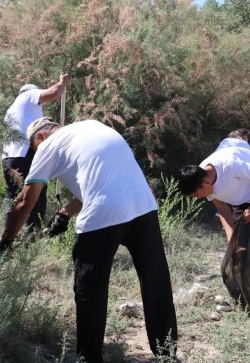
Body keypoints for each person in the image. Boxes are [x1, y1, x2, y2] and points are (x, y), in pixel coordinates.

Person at [0, 118, 177, 362]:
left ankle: (89, 359)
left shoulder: (48, 147)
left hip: (103, 217)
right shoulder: (93, 126)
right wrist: (64, 214)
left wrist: (7, 242)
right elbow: (103, 182)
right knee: (155, 281)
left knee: (89, 290)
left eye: (33, 150)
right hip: (143, 206)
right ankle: (166, 353)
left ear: (38, 138)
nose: (35, 155)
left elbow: (23, 203)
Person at [178, 146, 250, 283]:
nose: (198, 198)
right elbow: (224, 210)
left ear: (206, 182)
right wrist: (232, 240)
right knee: (241, 245)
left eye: (197, 195)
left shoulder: (231, 166)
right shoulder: (202, 177)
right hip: (241, 199)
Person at [2, 74, 70, 231]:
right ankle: (31, 238)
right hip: (26, 154)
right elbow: (53, 92)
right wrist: (62, 83)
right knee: (35, 196)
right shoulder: (27, 96)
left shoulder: (11, 111)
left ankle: (9, 236)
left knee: (13, 197)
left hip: (8, 159)